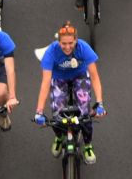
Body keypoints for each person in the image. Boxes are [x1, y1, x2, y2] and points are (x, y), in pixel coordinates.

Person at [33, 23, 104, 163]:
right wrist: (39, 111)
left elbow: (95, 76)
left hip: (80, 76)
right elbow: (46, 82)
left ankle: (88, 145)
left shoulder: (84, 48)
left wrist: (100, 103)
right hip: (59, 78)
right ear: (58, 42)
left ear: (76, 40)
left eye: (70, 43)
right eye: (63, 43)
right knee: (57, 113)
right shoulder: (51, 52)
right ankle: (59, 137)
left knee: (84, 112)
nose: (67, 47)